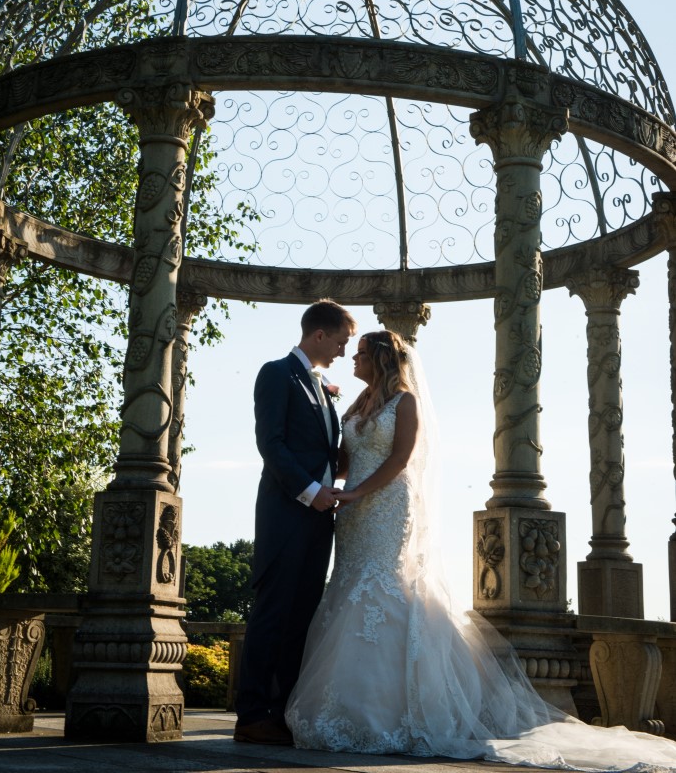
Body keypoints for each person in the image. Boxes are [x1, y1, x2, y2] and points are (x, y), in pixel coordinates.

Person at [285, 330, 676, 771]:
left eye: (359, 354)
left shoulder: (405, 403)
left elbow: (399, 461)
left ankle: (393, 714)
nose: (351, 360)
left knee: (380, 591)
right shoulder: (357, 404)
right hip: (353, 513)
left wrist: (356, 495)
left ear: (380, 359)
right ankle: (347, 708)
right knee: (350, 587)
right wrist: (319, 478)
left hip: (387, 506)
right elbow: (345, 457)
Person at [233, 299, 357, 746]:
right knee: (272, 613)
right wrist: (310, 492)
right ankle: (251, 714)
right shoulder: (275, 373)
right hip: (286, 514)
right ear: (319, 335)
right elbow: (272, 445)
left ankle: (284, 712)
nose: (344, 350)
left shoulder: (324, 387)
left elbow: (324, 454)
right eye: (342, 341)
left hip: (320, 519)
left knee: (303, 615)